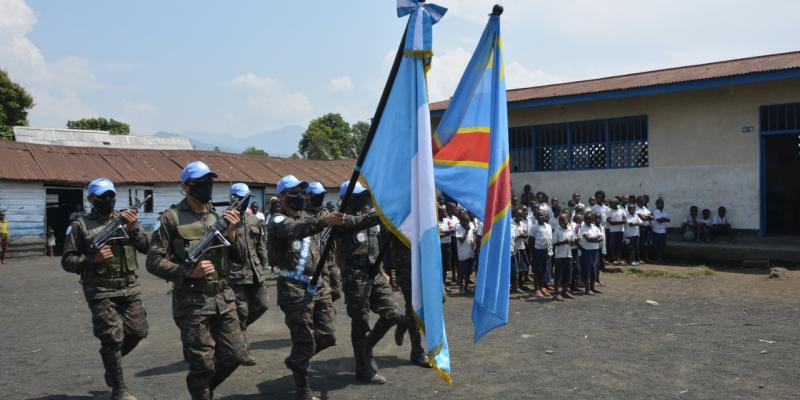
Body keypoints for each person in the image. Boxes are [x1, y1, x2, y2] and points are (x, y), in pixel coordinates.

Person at [146, 161, 245, 400]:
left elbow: (240, 258)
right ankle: (201, 392)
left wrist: (232, 234)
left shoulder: (217, 217)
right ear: (186, 186)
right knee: (202, 365)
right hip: (192, 303)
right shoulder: (171, 218)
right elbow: (153, 261)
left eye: (210, 181)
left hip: (223, 298)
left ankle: (203, 390)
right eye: (201, 182)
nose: (208, 186)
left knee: (236, 355)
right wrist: (187, 271)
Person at [62, 178, 149, 400]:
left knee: (139, 331)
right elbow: (68, 261)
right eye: (102, 197)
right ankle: (120, 389)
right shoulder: (80, 226)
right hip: (100, 290)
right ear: (91, 199)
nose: (108, 200)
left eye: (111, 196)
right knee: (112, 338)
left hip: (129, 287)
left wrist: (133, 228)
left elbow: (147, 247)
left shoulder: (127, 219)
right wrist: (92, 258)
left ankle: (111, 362)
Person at [267, 175, 343, 400]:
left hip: (318, 285)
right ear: (281, 196)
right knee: (304, 341)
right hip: (293, 290)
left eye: (302, 192)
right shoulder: (278, 222)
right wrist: (325, 221)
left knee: (328, 336)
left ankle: (296, 361)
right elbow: (297, 229)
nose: (299, 197)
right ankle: (303, 390)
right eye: (293, 193)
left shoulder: (309, 218)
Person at [334, 181, 405, 385]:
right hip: (355, 276)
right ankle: (363, 368)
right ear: (348, 199)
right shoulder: (340, 218)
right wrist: (387, 210)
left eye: (366, 196)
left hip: (375, 272)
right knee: (361, 322)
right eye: (360, 197)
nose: (365, 200)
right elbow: (358, 222)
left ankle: (367, 348)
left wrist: (384, 271)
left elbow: (375, 244)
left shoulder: (368, 216)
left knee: (391, 313)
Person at [227, 183, 269, 367]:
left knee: (262, 305)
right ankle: (240, 348)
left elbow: (259, 244)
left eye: (245, 198)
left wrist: (264, 263)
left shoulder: (254, 220)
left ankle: (235, 331)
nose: (241, 201)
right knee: (241, 312)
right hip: (236, 273)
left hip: (255, 271)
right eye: (237, 197)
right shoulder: (224, 220)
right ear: (232, 198)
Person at [389, 233, 429, 368]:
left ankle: (404, 321)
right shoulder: (399, 212)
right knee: (413, 305)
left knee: (440, 298)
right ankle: (417, 351)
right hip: (406, 264)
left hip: (425, 259)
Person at [305, 182, 342, 302]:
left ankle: (327, 307)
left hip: (329, 258)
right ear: (308, 196)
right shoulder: (303, 215)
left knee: (336, 291)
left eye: (322, 195)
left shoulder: (326, 213)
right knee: (320, 292)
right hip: (314, 261)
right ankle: (326, 310)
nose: (320, 198)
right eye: (317, 195)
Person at [579, 212, 603, 295]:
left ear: (593, 219)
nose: (588, 220)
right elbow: (588, 239)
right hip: (587, 251)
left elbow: (602, 238)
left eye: (590, 219)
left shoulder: (595, 227)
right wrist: (596, 238)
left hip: (595, 250)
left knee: (594, 270)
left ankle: (593, 287)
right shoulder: (583, 228)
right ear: (584, 219)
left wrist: (593, 239)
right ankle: (587, 289)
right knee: (587, 270)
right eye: (586, 219)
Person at [552, 213, 575, 301]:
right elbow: (554, 243)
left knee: (567, 275)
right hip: (559, 256)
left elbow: (572, 240)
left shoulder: (570, 229)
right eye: (560, 220)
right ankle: (556, 293)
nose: (562, 222)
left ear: (568, 220)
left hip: (568, 255)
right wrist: (564, 242)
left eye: (564, 220)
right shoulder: (557, 230)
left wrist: (572, 242)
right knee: (558, 276)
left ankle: (564, 292)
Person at [530, 210, 552, 299]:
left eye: (542, 215)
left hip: (546, 251)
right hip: (537, 251)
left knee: (543, 270)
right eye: (539, 215)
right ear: (536, 217)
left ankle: (541, 286)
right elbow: (531, 240)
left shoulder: (548, 226)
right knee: (536, 271)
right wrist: (533, 252)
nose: (541, 217)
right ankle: (537, 289)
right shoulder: (534, 227)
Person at [455, 211, 475, 294]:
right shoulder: (458, 227)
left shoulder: (470, 226)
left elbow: (472, 236)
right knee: (462, 272)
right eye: (465, 221)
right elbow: (461, 240)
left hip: (470, 252)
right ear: (461, 221)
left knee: (468, 272)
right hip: (462, 252)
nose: (467, 222)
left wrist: (474, 243)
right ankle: (461, 287)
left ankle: (467, 287)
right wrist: (466, 230)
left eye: (468, 220)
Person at [512, 208, 530, 293]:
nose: (520, 217)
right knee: (516, 269)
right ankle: (515, 286)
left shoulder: (522, 223)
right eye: (518, 215)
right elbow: (514, 236)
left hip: (522, 247)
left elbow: (526, 234)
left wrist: (522, 235)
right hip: (515, 249)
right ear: (514, 215)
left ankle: (521, 284)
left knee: (524, 267)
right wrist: (521, 235)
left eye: (521, 216)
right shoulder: (511, 224)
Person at [438, 205, 457, 285]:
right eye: (443, 211)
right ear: (439, 213)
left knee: (445, 267)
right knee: (439, 266)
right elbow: (438, 234)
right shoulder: (436, 222)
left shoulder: (447, 221)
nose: (445, 213)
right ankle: (439, 284)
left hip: (447, 246)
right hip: (439, 246)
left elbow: (453, 230)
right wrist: (447, 232)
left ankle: (443, 284)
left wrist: (444, 232)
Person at [606, 199, 625, 264]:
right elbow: (610, 222)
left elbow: (624, 220)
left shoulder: (621, 211)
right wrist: (620, 222)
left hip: (620, 230)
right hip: (613, 231)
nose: (610, 205)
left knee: (619, 245)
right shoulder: (609, 211)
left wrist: (615, 222)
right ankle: (614, 259)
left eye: (612, 203)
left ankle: (618, 258)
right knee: (612, 245)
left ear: (616, 204)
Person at [636, 196, 653, 262]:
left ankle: (646, 258)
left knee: (646, 243)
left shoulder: (645, 208)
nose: (642, 202)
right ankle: (640, 258)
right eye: (641, 201)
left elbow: (652, 216)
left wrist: (647, 216)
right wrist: (648, 216)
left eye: (643, 201)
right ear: (638, 202)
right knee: (641, 244)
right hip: (641, 228)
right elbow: (642, 218)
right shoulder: (637, 209)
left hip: (647, 228)